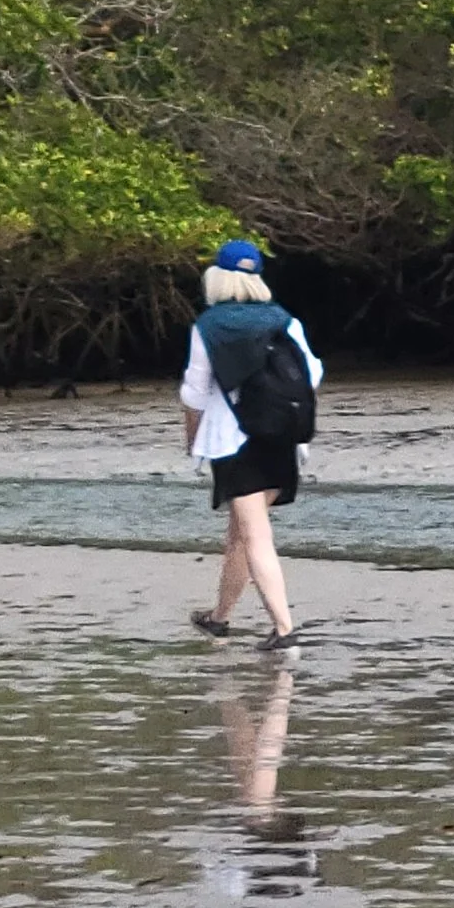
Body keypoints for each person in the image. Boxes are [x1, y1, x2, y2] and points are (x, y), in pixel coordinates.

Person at [181, 241, 319, 653]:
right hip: (282, 438)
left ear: (217, 278)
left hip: (234, 440)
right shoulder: (284, 320)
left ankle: (284, 629)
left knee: (256, 535)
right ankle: (219, 618)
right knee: (240, 534)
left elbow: (194, 393)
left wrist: (192, 441)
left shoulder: (209, 326)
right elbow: (311, 373)